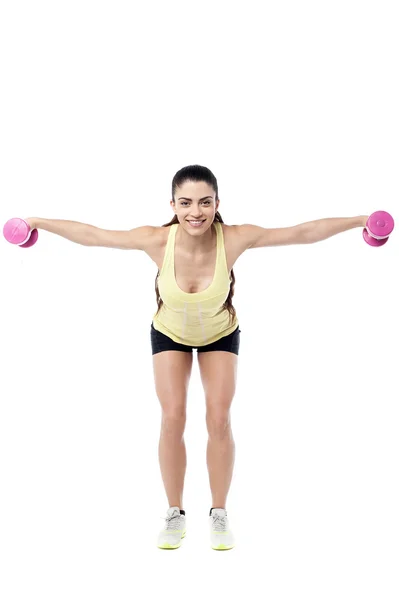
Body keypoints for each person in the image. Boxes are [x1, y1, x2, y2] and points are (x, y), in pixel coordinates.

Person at [24, 164, 369, 550]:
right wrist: (37, 222)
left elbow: (302, 232)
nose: (196, 212)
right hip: (169, 332)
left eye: (205, 202)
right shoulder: (156, 240)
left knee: (218, 418)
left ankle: (219, 514)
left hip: (219, 334)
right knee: (173, 416)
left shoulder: (235, 238)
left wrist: (361, 221)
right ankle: (175, 514)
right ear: (172, 204)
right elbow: (93, 235)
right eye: (186, 202)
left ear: (217, 203)